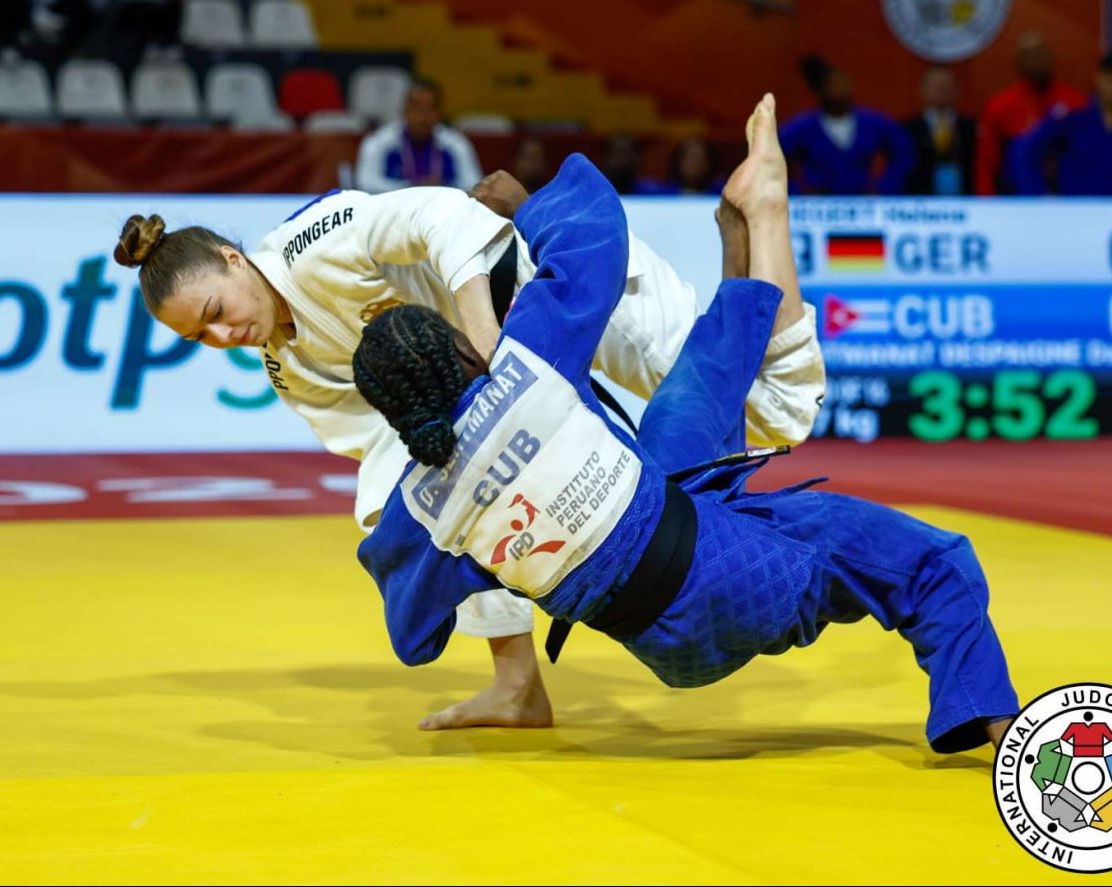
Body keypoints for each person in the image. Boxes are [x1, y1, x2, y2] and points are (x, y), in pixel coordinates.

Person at [353, 95, 1019, 754]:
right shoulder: (525, 366)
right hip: (738, 580)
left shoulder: (418, 508)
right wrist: (523, 205)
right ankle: (996, 724)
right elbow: (596, 232)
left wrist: (494, 544)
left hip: (658, 641)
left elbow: (415, 638)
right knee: (933, 563)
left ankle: (740, 242)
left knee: (682, 415)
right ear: (465, 350)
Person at [111, 142, 826, 731]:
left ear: (236, 261)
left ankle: (754, 219)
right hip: (501, 390)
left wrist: (490, 345)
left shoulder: (308, 244)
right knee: (396, 498)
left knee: (769, 413)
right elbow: (383, 443)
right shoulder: (284, 365)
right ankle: (516, 683)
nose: (220, 334)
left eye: (213, 310)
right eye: (197, 336)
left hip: (556, 290)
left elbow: (443, 215)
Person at [1013, 51, 1112, 196]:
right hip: (1076, 210)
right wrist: (1037, 194)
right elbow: (1028, 148)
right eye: (1110, 79)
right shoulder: (1073, 115)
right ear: (1098, 78)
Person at [778, 55, 915, 195]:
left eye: (841, 80)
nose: (840, 87)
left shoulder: (873, 123)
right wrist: (796, 192)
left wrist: (883, 188)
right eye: (831, 83)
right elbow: (774, 158)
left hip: (863, 203)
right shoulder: (802, 127)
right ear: (820, 90)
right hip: (819, 207)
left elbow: (903, 154)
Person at [975, 31, 1086, 196]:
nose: (1036, 60)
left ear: (1050, 57)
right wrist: (987, 204)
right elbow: (986, 164)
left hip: (1066, 198)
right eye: (1029, 55)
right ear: (1019, 62)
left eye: (1040, 53)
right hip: (1016, 199)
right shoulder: (1000, 106)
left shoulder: (1075, 102)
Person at [355, 78, 483, 194]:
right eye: (417, 108)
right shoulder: (379, 142)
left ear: (440, 112)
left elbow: (474, 185)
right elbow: (366, 184)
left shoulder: (455, 144)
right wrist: (412, 188)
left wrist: (444, 188)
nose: (423, 117)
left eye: (430, 109)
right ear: (405, 109)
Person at [902, 66, 976, 196]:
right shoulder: (907, 128)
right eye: (935, 86)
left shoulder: (971, 127)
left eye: (946, 86)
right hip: (920, 201)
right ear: (922, 90)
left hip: (965, 199)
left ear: (956, 90)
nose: (941, 90)